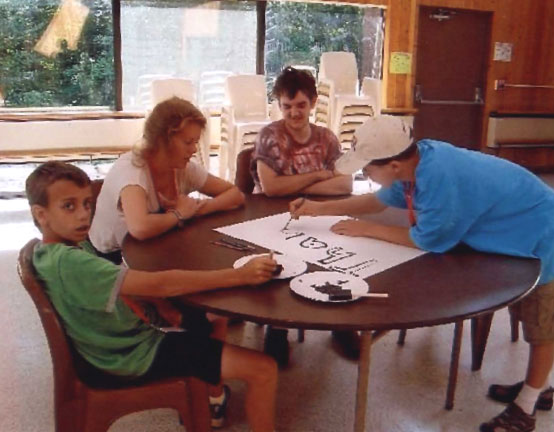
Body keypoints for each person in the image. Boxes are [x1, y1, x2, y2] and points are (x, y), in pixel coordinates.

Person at [290, 115, 554, 432]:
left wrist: (367, 230)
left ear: (393, 166)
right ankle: (537, 387)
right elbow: (375, 202)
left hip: (541, 235)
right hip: (513, 230)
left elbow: (428, 240)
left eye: (367, 168)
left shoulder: (441, 179)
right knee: (531, 317)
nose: (364, 174)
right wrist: (317, 208)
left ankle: (527, 406)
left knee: (542, 327)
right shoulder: (415, 162)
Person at [26, 161, 278, 431]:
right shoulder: (70, 262)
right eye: (69, 206)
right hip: (132, 357)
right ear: (41, 214)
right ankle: (212, 394)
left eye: (87, 204)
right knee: (264, 369)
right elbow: (162, 285)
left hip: (118, 347)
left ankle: (211, 396)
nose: (83, 215)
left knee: (214, 315)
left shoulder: (54, 252)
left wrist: (158, 307)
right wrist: (240, 275)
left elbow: (120, 286)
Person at [250, 66, 357, 366]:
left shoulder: (327, 138)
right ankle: (277, 328)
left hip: (319, 213)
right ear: (279, 105)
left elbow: (346, 185)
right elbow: (271, 189)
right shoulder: (269, 136)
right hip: (271, 216)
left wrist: (299, 187)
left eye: (300, 105)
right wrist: (319, 175)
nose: (294, 113)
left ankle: (340, 323)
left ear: (313, 103)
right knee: (282, 262)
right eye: (287, 106)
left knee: (342, 254)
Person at [89, 96, 245, 259]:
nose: (194, 149)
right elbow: (140, 228)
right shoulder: (132, 170)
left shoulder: (182, 167)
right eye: (188, 142)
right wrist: (179, 214)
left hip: (154, 245)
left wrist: (197, 209)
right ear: (162, 140)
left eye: (196, 142)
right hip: (113, 258)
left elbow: (236, 195)